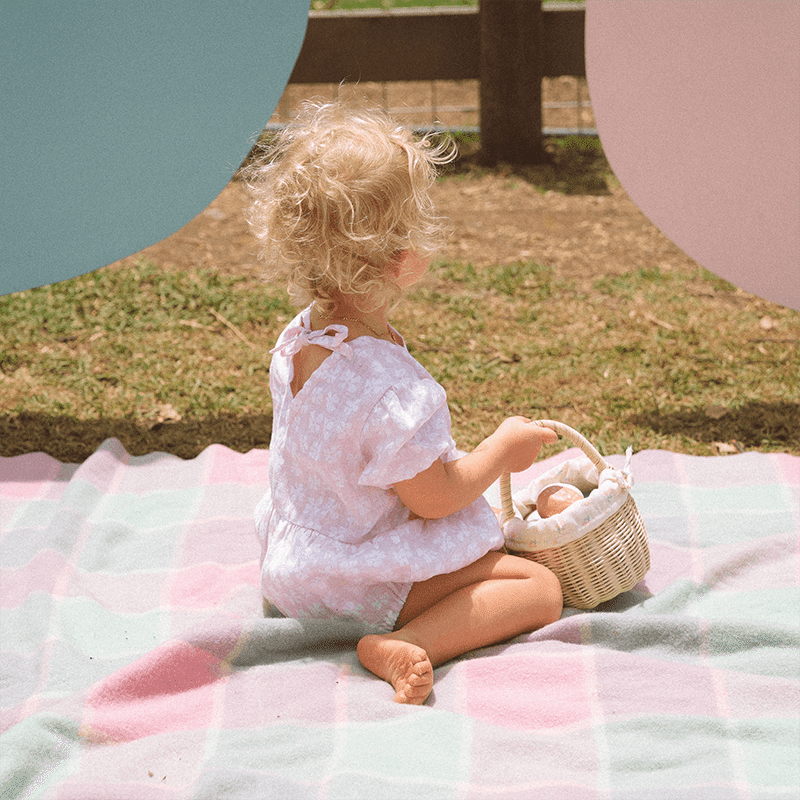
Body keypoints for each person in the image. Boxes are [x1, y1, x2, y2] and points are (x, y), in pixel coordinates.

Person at [245, 101, 562, 705]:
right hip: (355, 580)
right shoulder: (391, 390)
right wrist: (502, 449)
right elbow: (435, 499)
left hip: (295, 564)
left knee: (502, 564)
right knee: (537, 586)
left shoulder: (302, 337)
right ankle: (406, 642)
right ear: (400, 258)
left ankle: (387, 626)